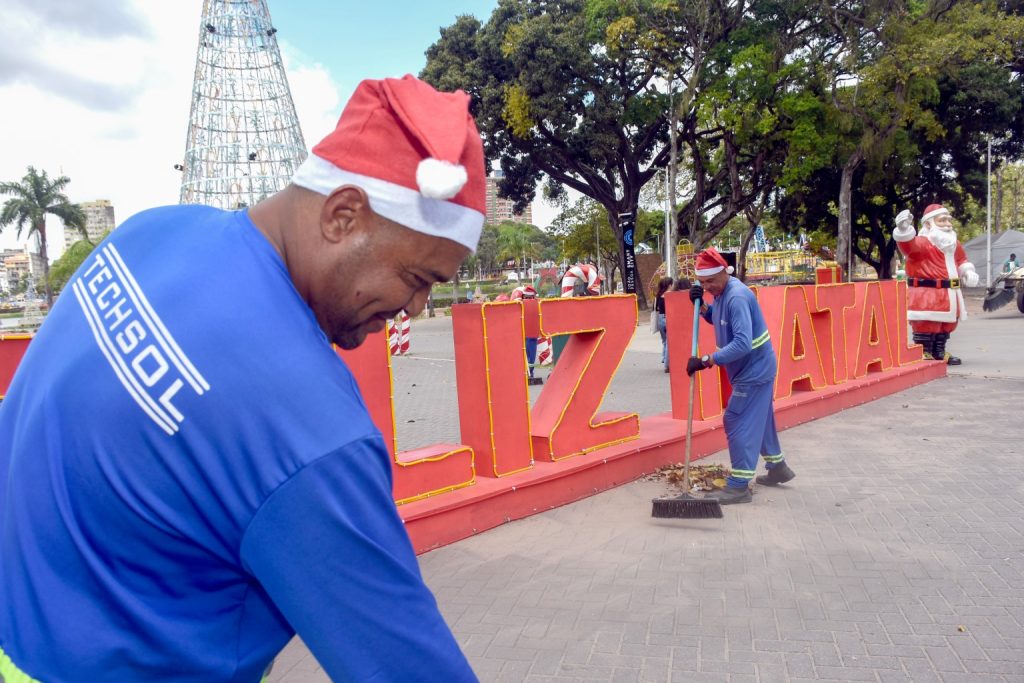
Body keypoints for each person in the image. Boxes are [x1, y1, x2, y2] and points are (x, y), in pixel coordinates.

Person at [0, 76, 483, 682]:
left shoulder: (149, 233)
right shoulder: (310, 430)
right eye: (416, 278)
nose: (415, 309)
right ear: (343, 214)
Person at [685, 248, 795, 504]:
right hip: (756, 368)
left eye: (710, 281)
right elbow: (720, 319)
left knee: (736, 419)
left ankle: (738, 485)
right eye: (702, 283)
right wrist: (701, 308)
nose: (707, 287)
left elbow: (743, 343)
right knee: (762, 418)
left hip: (754, 370)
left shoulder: (736, 297)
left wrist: (706, 360)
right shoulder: (723, 293)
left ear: (724, 272)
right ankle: (778, 467)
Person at [894, 204, 979, 365]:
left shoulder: (953, 244)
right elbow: (909, 248)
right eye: (942, 220)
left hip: (949, 293)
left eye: (949, 220)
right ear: (928, 224)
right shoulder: (922, 243)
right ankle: (923, 350)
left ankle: (939, 351)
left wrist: (968, 271)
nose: (948, 224)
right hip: (927, 293)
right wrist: (904, 231)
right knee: (926, 323)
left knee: (946, 325)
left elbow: (961, 260)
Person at [653, 276, 672, 372]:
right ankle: (667, 364)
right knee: (669, 342)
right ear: (669, 285)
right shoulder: (670, 295)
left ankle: (664, 358)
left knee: (664, 341)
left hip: (660, 318)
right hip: (668, 318)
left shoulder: (658, 295)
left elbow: (656, 309)